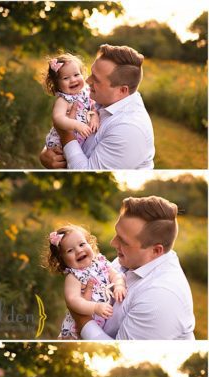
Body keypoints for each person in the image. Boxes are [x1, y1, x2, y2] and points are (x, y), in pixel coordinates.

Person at [72, 196, 195, 340]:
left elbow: (118, 348)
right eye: (116, 234)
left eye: (123, 241)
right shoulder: (130, 259)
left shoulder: (161, 298)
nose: (113, 243)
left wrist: (81, 316)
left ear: (156, 251)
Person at [40, 45, 154, 170]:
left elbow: (86, 171)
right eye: (91, 74)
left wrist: (66, 134)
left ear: (122, 90)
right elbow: (60, 133)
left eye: (96, 79)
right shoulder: (103, 97)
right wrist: (46, 155)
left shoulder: (129, 130)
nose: (87, 81)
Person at [44, 224, 125, 339]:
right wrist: (95, 307)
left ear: (90, 244)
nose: (79, 250)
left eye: (82, 244)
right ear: (62, 259)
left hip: (100, 325)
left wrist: (119, 285)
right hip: (77, 330)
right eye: (70, 250)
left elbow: (116, 275)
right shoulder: (74, 277)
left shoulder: (101, 262)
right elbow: (73, 301)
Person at [43, 54, 100, 150]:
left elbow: (93, 107)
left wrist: (95, 117)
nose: (73, 80)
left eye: (76, 75)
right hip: (61, 143)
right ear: (57, 84)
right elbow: (58, 118)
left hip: (81, 140)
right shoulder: (63, 100)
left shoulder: (86, 92)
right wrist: (76, 125)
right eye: (66, 78)